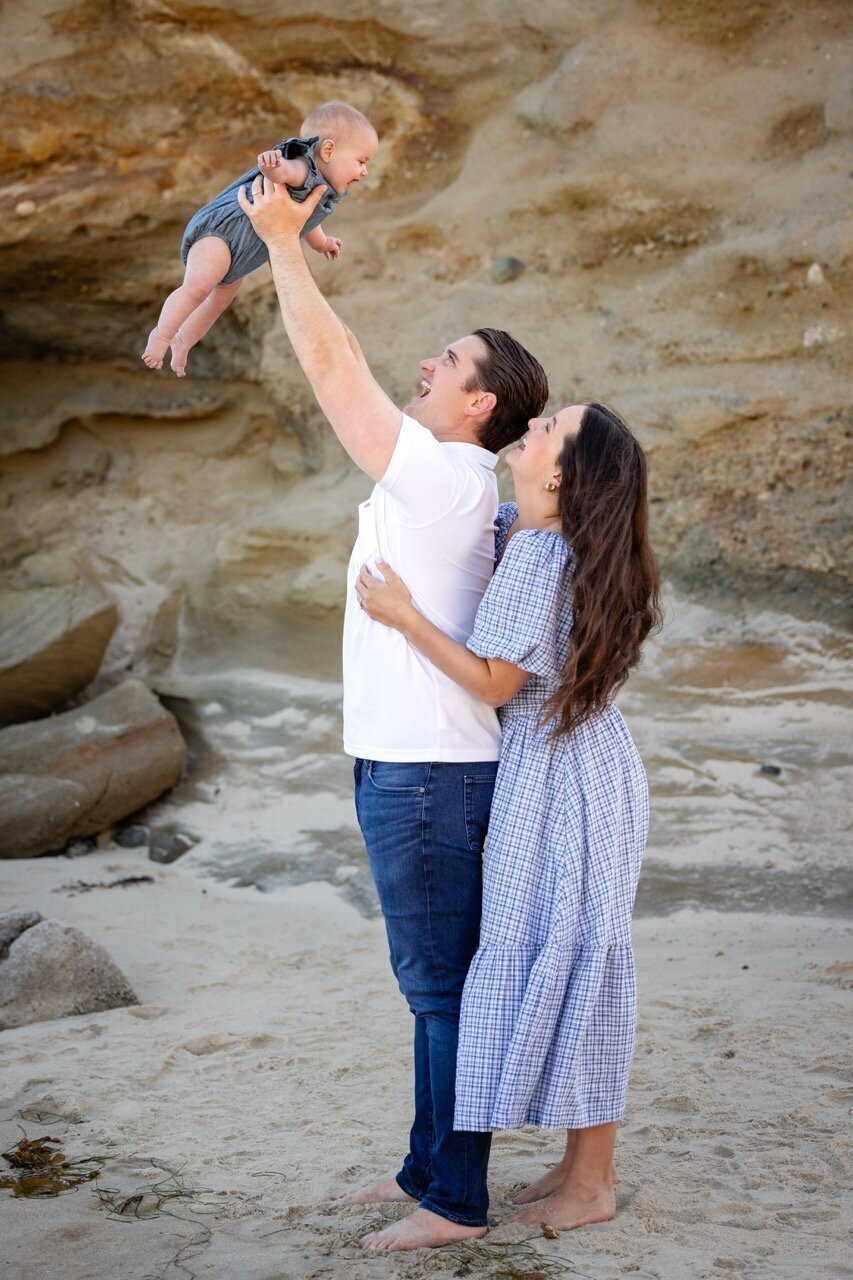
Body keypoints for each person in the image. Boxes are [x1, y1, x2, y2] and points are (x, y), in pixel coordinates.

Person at [236, 174, 549, 1250]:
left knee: (439, 989)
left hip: (427, 772)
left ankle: (454, 1198)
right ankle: (425, 1165)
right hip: (403, 764)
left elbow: (333, 365)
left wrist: (278, 239)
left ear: (479, 405)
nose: (429, 363)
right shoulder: (448, 476)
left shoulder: (450, 477)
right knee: (430, 985)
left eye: (449, 362)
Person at [356, 401, 662, 1237]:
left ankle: (591, 1183)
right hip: (583, 769)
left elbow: (494, 682)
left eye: (546, 430)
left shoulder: (537, 552)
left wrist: (403, 617)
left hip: (565, 779)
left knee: (579, 963)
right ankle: (575, 1166)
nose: (528, 428)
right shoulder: (529, 537)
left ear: (560, 474)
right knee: (577, 958)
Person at [142, 101, 378, 377]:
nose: (364, 171)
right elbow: (282, 173)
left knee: (218, 300)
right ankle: (161, 335)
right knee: (197, 289)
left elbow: (306, 220)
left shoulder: (322, 189)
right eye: (361, 161)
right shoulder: (303, 169)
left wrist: (322, 243)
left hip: (240, 255)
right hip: (220, 234)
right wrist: (272, 167)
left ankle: (184, 341)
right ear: (328, 150)